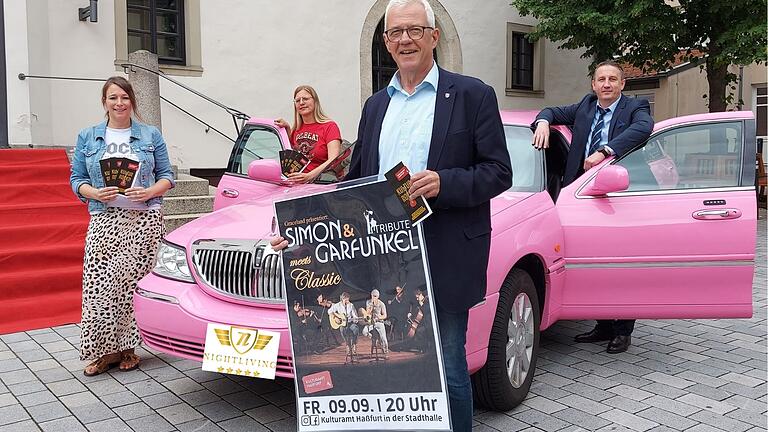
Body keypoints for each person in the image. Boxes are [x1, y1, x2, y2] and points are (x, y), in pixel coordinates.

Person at [347, 1, 511, 428]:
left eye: (415, 30)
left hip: (446, 247)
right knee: (393, 364)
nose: (405, 39)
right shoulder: (375, 106)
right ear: (385, 42)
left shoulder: (473, 95)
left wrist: (445, 183)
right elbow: (356, 180)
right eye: (396, 32)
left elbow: (499, 172)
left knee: (449, 363)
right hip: (384, 252)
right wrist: (304, 228)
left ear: (433, 37)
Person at [531, 60, 654, 354]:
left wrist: (605, 151)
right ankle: (603, 324)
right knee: (591, 260)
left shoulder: (636, 107)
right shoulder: (586, 106)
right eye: (601, 79)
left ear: (622, 84)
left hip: (620, 193)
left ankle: (623, 330)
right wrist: (544, 122)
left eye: (613, 79)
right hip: (582, 194)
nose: (607, 84)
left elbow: (643, 129)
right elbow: (550, 111)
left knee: (621, 265)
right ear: (593, 85)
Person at [70, 76, 174, 376]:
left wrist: (150, 191)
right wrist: (94, 192)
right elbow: (76, 180)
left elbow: (167, 175)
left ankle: (129, 348)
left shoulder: (150, 135)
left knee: (132, 286)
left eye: (124, 97)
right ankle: (106, 352)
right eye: (113, 97)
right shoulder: (88, 136)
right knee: (99, 286)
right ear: (105, 102)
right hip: (104, 218)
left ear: (132, 101)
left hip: (142, 221)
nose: (119, 103)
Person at [274, 85, 342, 184]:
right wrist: (287, 128)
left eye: (305, 99)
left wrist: (308, 176)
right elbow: (289, 157)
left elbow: (333, 159)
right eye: (297, 101)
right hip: (294, 186)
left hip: (319, 185)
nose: (301, 103)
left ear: (315, 101)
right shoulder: (295, 130)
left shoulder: (330, 126)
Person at [328, 292, 360, 356]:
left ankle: (354, 344)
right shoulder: (337, 305)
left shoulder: (351, 305)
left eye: (348, 299)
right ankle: (348, 344)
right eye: (345, 299)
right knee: (342, 330)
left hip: (350, 323)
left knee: (356, 329)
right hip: (342, 324)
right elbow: (329, 311)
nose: (347, 301)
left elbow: (355, 316)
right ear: (342, 299)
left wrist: (356, 319)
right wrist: (336, 317)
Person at [361, 289, 389, 356]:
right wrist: (370, 308)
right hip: (371, 322)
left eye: (375, 296)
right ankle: (374, 339)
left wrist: (379, 317)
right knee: (364, 331)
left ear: (378, 296)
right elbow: (367, 313)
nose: (374, 297)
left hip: (379, 322)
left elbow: (385, 315)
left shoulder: (381, 304)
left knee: (384, 338)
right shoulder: (368, 302)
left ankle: (386, 351)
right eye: (373, 296)